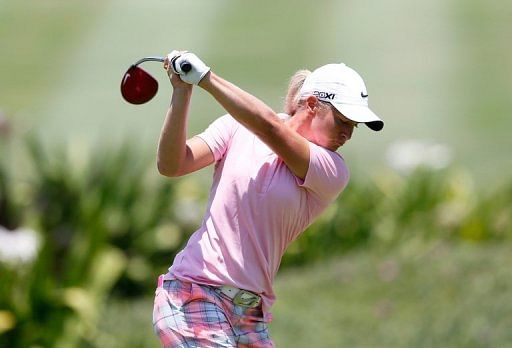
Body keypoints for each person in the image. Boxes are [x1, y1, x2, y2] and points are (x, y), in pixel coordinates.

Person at [152, 50, 384, 348]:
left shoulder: (332, 170)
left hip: (250, 314)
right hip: (193, 293)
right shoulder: (235, 127)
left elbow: (269, 128)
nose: (348, 134)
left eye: (353, 126)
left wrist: (206, 79)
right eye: (343, 121)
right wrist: (183, 92)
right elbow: (172, 164)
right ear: (312, 104)